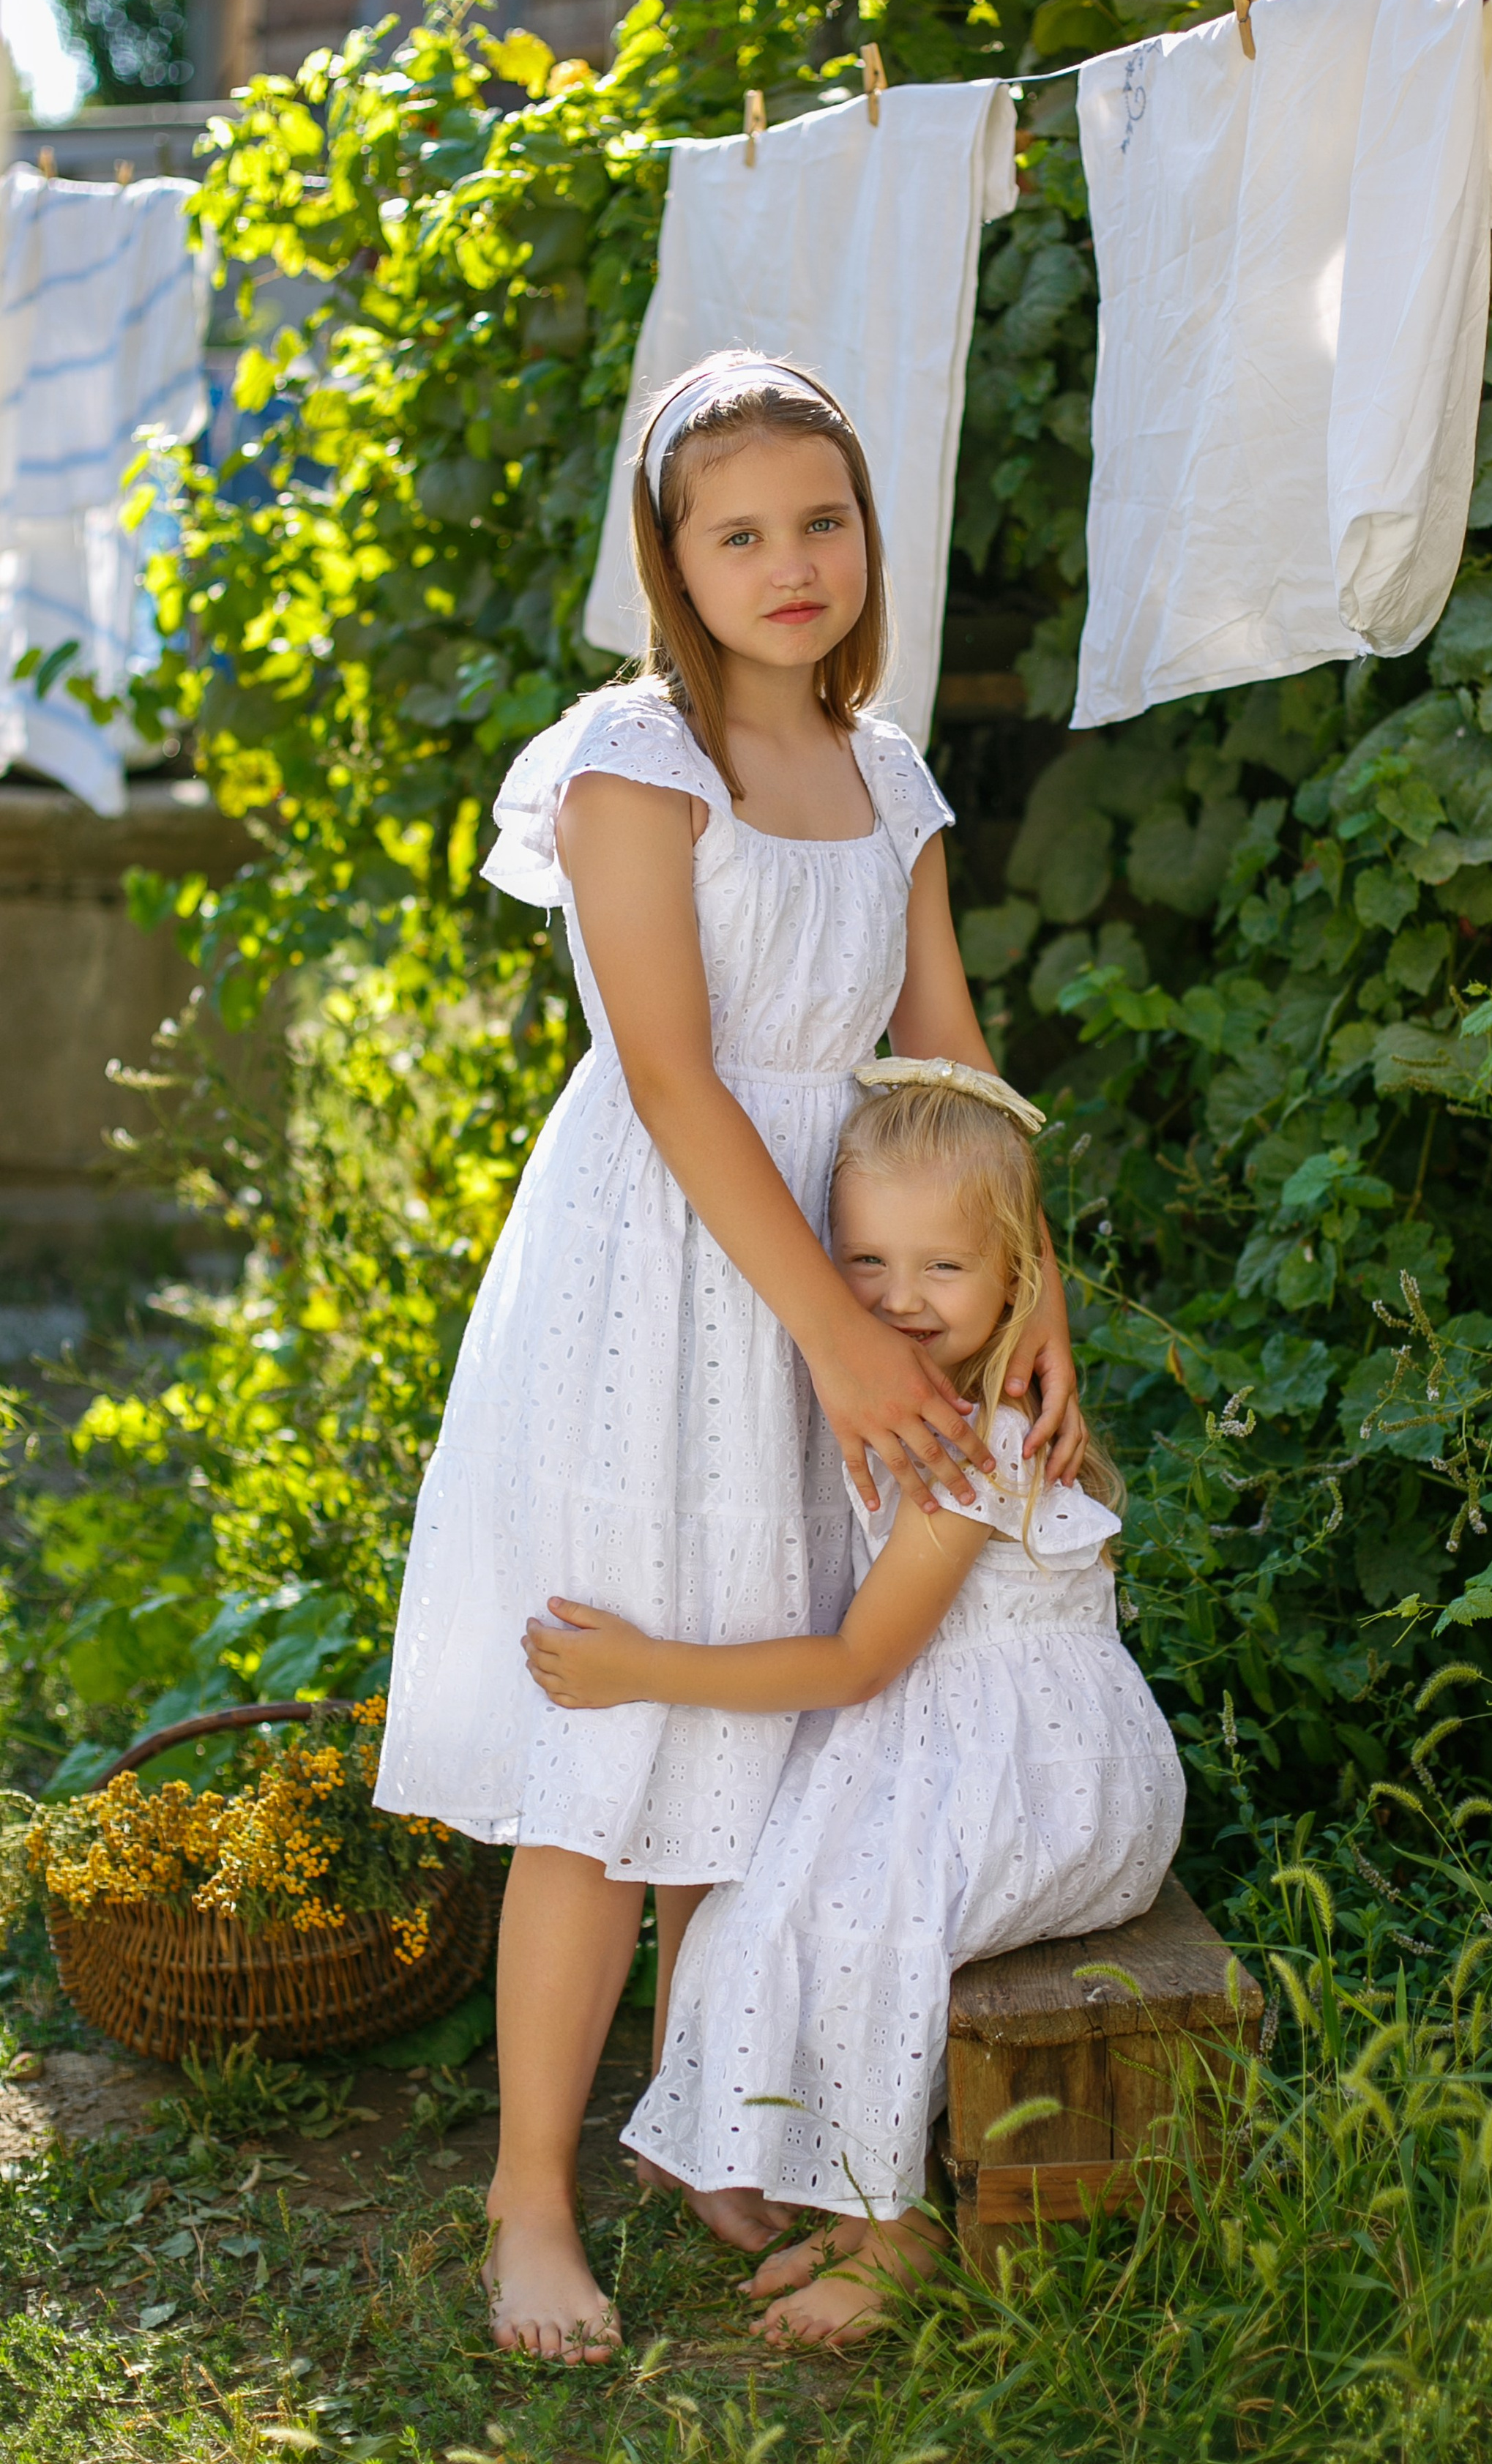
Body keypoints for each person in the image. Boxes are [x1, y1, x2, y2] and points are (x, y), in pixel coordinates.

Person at [372, 356, 1087, 2362]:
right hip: (666, 1273)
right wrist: (849, 1351)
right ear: (672, 561)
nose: (791, 565)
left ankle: (710, 2121)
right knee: (612, 1762)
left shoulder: (894, 778)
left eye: (824, 523)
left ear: (873, 539)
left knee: (766, 1737)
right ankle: (532, 2193)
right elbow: (677, 1079)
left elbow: (950, 1073)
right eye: (739, 531)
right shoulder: (633, 754)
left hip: (853, 1261)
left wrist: (1035, 1317)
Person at [524, 1069, 1185, 2348]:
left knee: (871, 1906)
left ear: (1018, 1281)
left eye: (943, 1266)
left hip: (1054, 1769)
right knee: (774, 1883)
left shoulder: (980, 1447)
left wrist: (645, 1667)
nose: (895, 1297)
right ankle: (836, 2183)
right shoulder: (907, 1395)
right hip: (945, 1736)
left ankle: (903, 2231)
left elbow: (852, 1665)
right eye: (866, 1258)